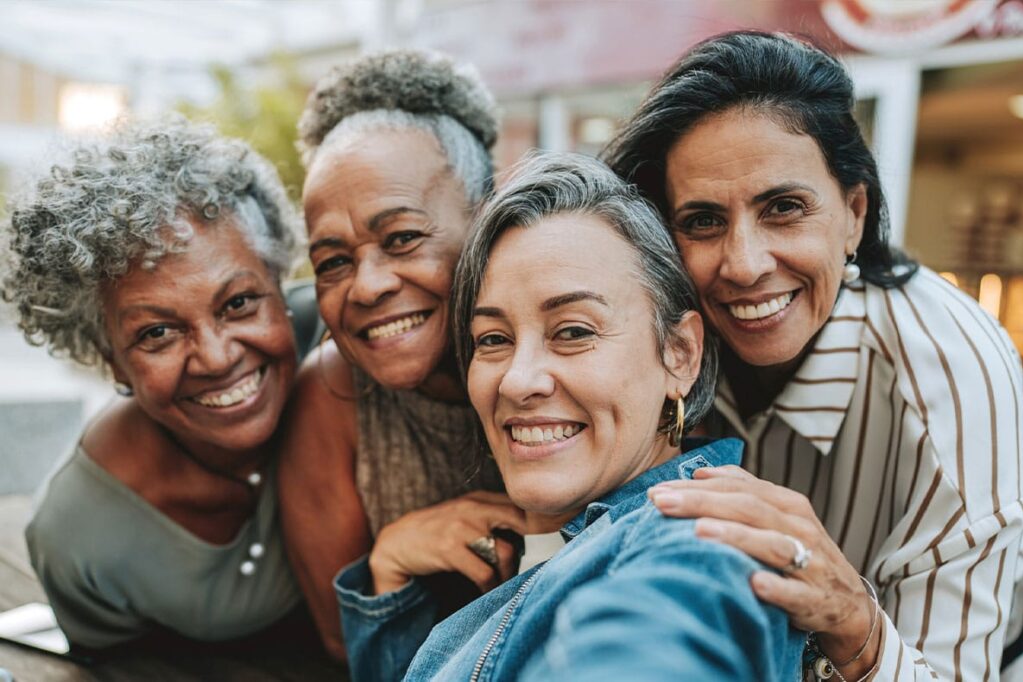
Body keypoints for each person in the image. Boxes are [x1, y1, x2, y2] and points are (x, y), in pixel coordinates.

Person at [604, 30, 1023, 680]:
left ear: (854, 212)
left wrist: (851, 619)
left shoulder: (950, 377)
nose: (744, 265)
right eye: (703, 221)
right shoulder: (665, 336)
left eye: (784, 208)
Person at [335, 151, 806, 681]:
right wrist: (390, 580)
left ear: (680, 354)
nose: (518, 380)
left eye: (574, 331)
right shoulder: (534, 552)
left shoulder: (696, 545)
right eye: (493, 339)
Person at [1, 118, 305, 648]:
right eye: (158, 333)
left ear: (280, 286)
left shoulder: (352, 352)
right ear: (111, 361)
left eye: (238, 303)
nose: (216, 358)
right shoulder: (80, 538)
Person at [279, 50, 519, 659]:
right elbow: (341, 643)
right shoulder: (330, 395)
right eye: (333, 261)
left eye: (403, 238)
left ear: (487, 217)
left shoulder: (571, 356)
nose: (367, 286)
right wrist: (394, 556)